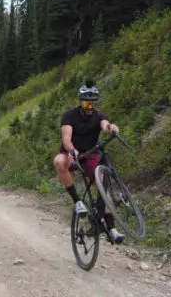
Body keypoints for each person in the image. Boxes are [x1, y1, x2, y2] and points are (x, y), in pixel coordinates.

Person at [53, 80, 125, 244]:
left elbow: (106, 126)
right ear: (80, 101)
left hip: (91, 154)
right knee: (58, 161)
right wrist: (72, 150)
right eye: (87, 102)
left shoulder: (99, 116)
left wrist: (112, 128)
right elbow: (66, 138)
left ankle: (111, 228)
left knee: (102, 186)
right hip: (71, 153)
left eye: (93, 103)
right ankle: (78, 201)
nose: (90, 106)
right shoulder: (70, 116)